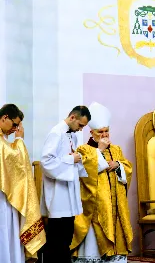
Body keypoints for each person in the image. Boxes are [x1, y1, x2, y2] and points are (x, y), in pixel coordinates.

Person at [70, 102, 133, 263]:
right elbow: (85, 173)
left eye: (107, 131)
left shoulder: (116, 149)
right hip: (95, 205)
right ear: (92, 132)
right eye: (100, 132)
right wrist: (101, 151)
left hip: (115, 204)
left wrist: (118, 165)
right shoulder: (84, 149)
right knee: (93, 245)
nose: (104, 135)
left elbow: (128, 167)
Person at [40, 105, 91, 263]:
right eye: (80, 125)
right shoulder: (56, 132)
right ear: (72, 118)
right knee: (56, 239)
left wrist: (77, 158)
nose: (80, 129)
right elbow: (46, 162)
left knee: (67, 237)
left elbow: (71, 159)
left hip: (68, 193)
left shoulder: (72, 135)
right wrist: (71, 159)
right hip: (57, 195)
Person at [0, 104, 46, 263]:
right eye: (15, 124)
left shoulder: (3, 139)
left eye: (18, 126)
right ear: (4, 117)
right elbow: (15, 160)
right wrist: (19, 140)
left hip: (6, 195)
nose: (15, 129)